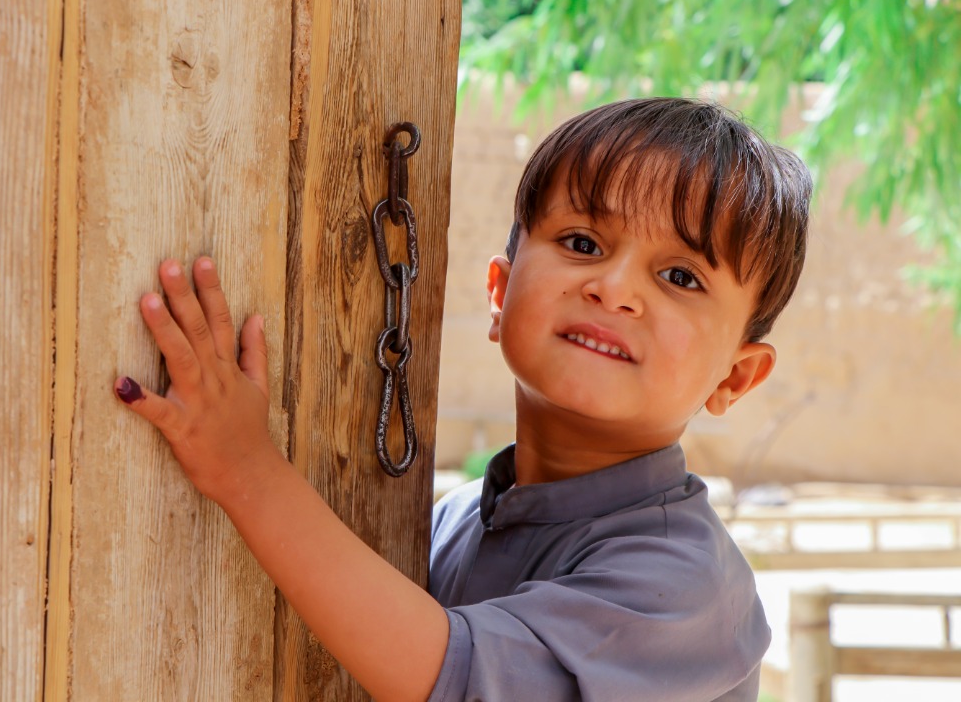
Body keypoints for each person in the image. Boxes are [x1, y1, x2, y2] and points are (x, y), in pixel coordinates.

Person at [113, 97, 812, 701]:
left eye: (681, 277)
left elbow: (451, 677)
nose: (615, 288)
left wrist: (245, 466)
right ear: (500, 294)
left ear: (736, 378)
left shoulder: (689, 588)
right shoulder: (449, 522)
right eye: (581, 241)